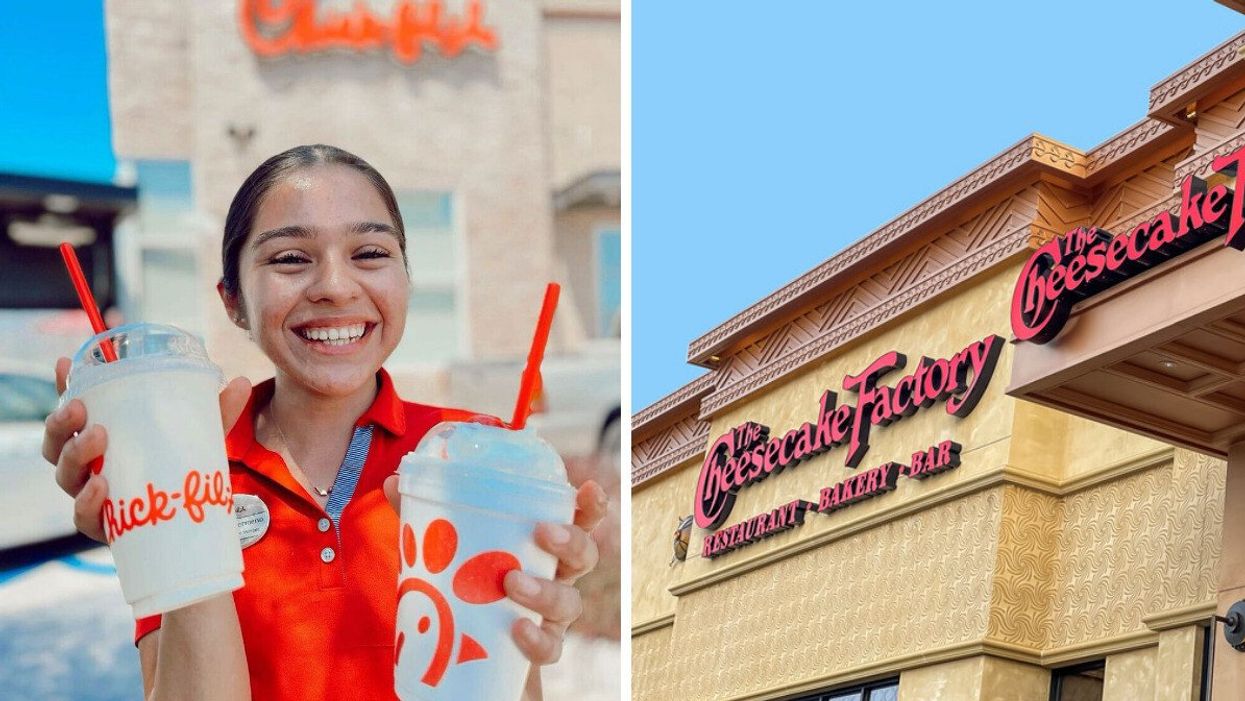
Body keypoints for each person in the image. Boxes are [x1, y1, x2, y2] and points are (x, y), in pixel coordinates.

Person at [42, 144, 607, 701]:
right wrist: (186, 520)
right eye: (290, 258)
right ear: (233, 300)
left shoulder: (467, 456)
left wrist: (523, 638)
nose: (335, 286)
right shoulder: (181, 469)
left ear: (406, 280)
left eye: (370, 254)